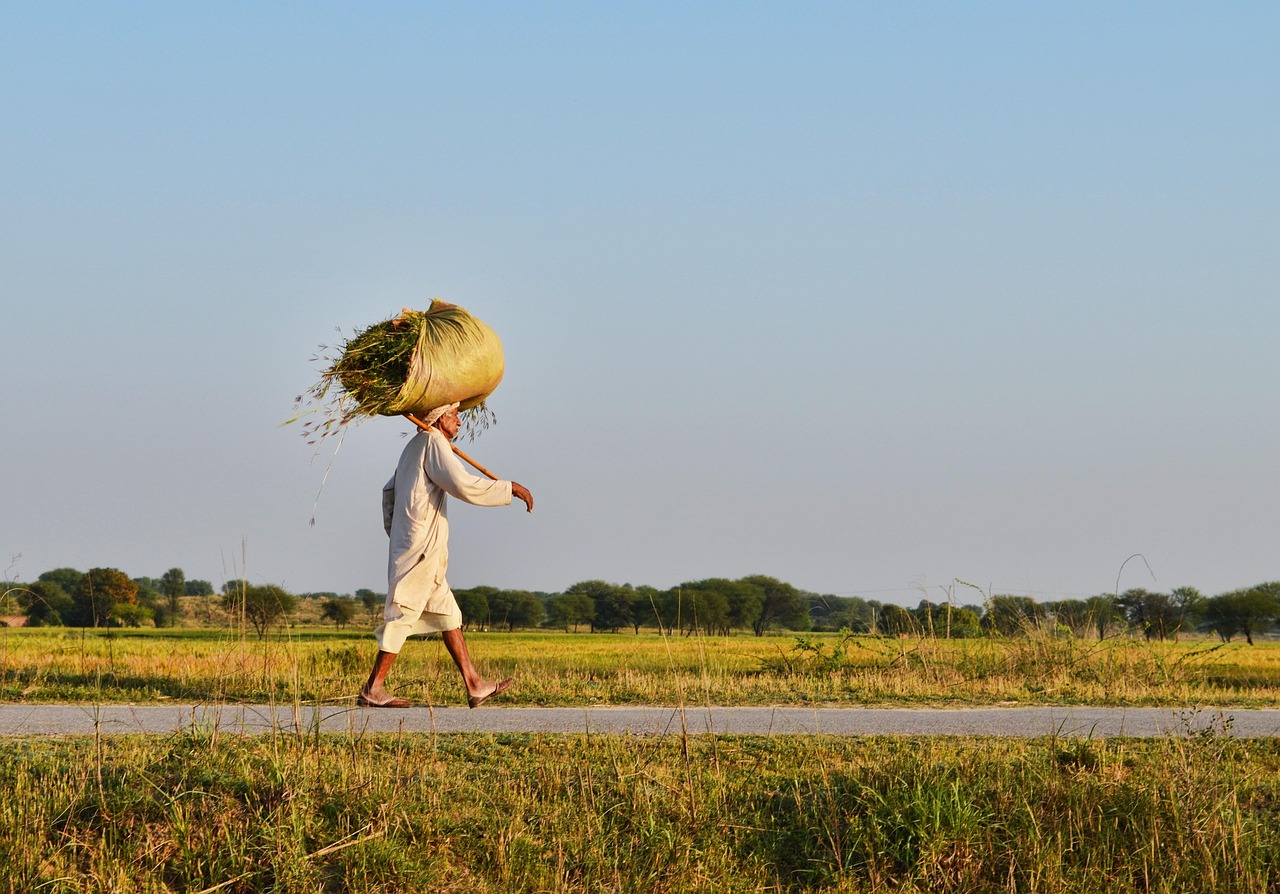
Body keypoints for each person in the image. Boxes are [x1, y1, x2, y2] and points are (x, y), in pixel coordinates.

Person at [358, 402, 534, 708]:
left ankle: (474, 683)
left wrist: (397, 531)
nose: (460, 423)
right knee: (404, 612)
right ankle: (374, 689)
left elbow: (389, 493)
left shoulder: (415, 445)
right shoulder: (434, 443)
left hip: (418, 545)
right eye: (455, 416)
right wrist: (509, 489)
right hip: (421, 548)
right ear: (440, 420)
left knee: (449, 615)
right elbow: (462, 484)